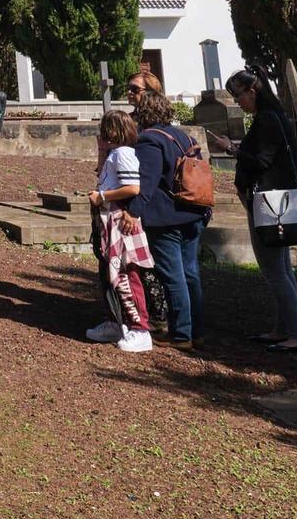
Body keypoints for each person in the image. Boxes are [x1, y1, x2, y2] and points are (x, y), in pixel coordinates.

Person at [208, 68, 297, 353]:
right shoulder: (276, 118)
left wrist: (232, 150)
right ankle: (284, 328)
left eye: (238, 95)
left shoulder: (266, 119)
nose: (237, 102)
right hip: (278, 201)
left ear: (253, 91)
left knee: (275, 271)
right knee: (282, 269)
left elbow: (262, 161)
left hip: (270, 204)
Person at [128, 87, 212, 348]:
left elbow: (147, 182)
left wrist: (133, 212)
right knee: (190, 274)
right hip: (193, 212)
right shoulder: (182, 136)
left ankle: (181, 334)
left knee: (173, 276)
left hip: (167, 218)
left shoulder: (149, 139)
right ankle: (196, 330)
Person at [86, 110, 154, 352]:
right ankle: (116, 321)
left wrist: (102, 196)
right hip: (108, 220)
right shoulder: (114, 154)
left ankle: (140, 328)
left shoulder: (124, 154)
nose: (102, 135)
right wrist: (102, 153)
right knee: (110, 272)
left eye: (105, 129)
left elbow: (133, 188)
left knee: (125, 273)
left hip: (119, 222)